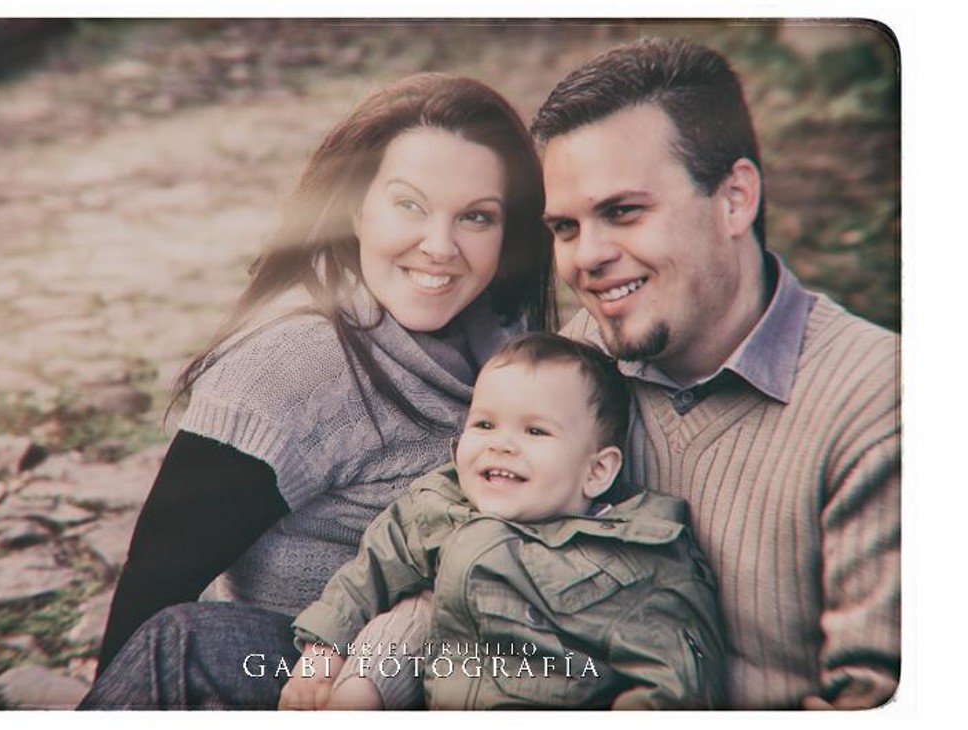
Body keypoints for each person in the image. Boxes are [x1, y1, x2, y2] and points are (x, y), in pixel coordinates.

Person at [78, 72, 555, 709]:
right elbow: (158, 582)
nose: (439, 247)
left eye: (476, 217)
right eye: (410, 205)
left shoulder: (518, 356)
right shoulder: (296, 366)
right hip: (306, 683)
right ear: (359, 208)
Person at [530, 37, 900, 710]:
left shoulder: (878, 401)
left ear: (735, 199)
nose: (588, 257)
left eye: (623, 212)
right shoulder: (576, 362)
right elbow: (476, 553)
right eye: (565, 227)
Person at [277, 332, 726, 710]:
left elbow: (675, 681)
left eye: (535, 431)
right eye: (485, 425)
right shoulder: (440, 507)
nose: (502, 445)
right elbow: (363, 579)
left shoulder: (634, 558)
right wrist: (320, 657)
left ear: (597, 471)